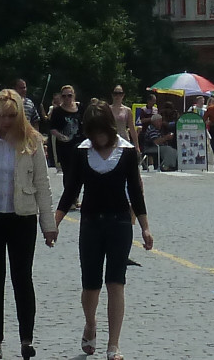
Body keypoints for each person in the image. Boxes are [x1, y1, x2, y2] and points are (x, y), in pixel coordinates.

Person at [0, 87, 57, 360]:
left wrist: (48, 224)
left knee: (22, 278)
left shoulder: (32, 141)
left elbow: (42, 184)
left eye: (12, 116)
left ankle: (26, 338)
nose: (6, 121)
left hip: (22, 217)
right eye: (2, 116)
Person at [54, 100, 151, 360]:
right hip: (91, 224)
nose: (98, 137)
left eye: (102, 132)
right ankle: (90, 323)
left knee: (116, 283)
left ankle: (114, 344)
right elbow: (71, 190)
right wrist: (56, 221)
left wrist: (144, 227)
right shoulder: (82, 152)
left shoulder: (128, 152)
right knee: (91, 286)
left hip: (120, 223)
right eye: (93, 132)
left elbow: (135, 193)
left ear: (110, 128)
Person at [44, 86, 82, 178]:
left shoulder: (81, 108)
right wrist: (60, 136)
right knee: (68, 175)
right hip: (64, 148)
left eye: (69, 95)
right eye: (64, 96)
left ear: (74, 95)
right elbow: (52, 128)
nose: (67, 98)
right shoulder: (57, 111)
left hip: (80, 145)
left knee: (80, 173)